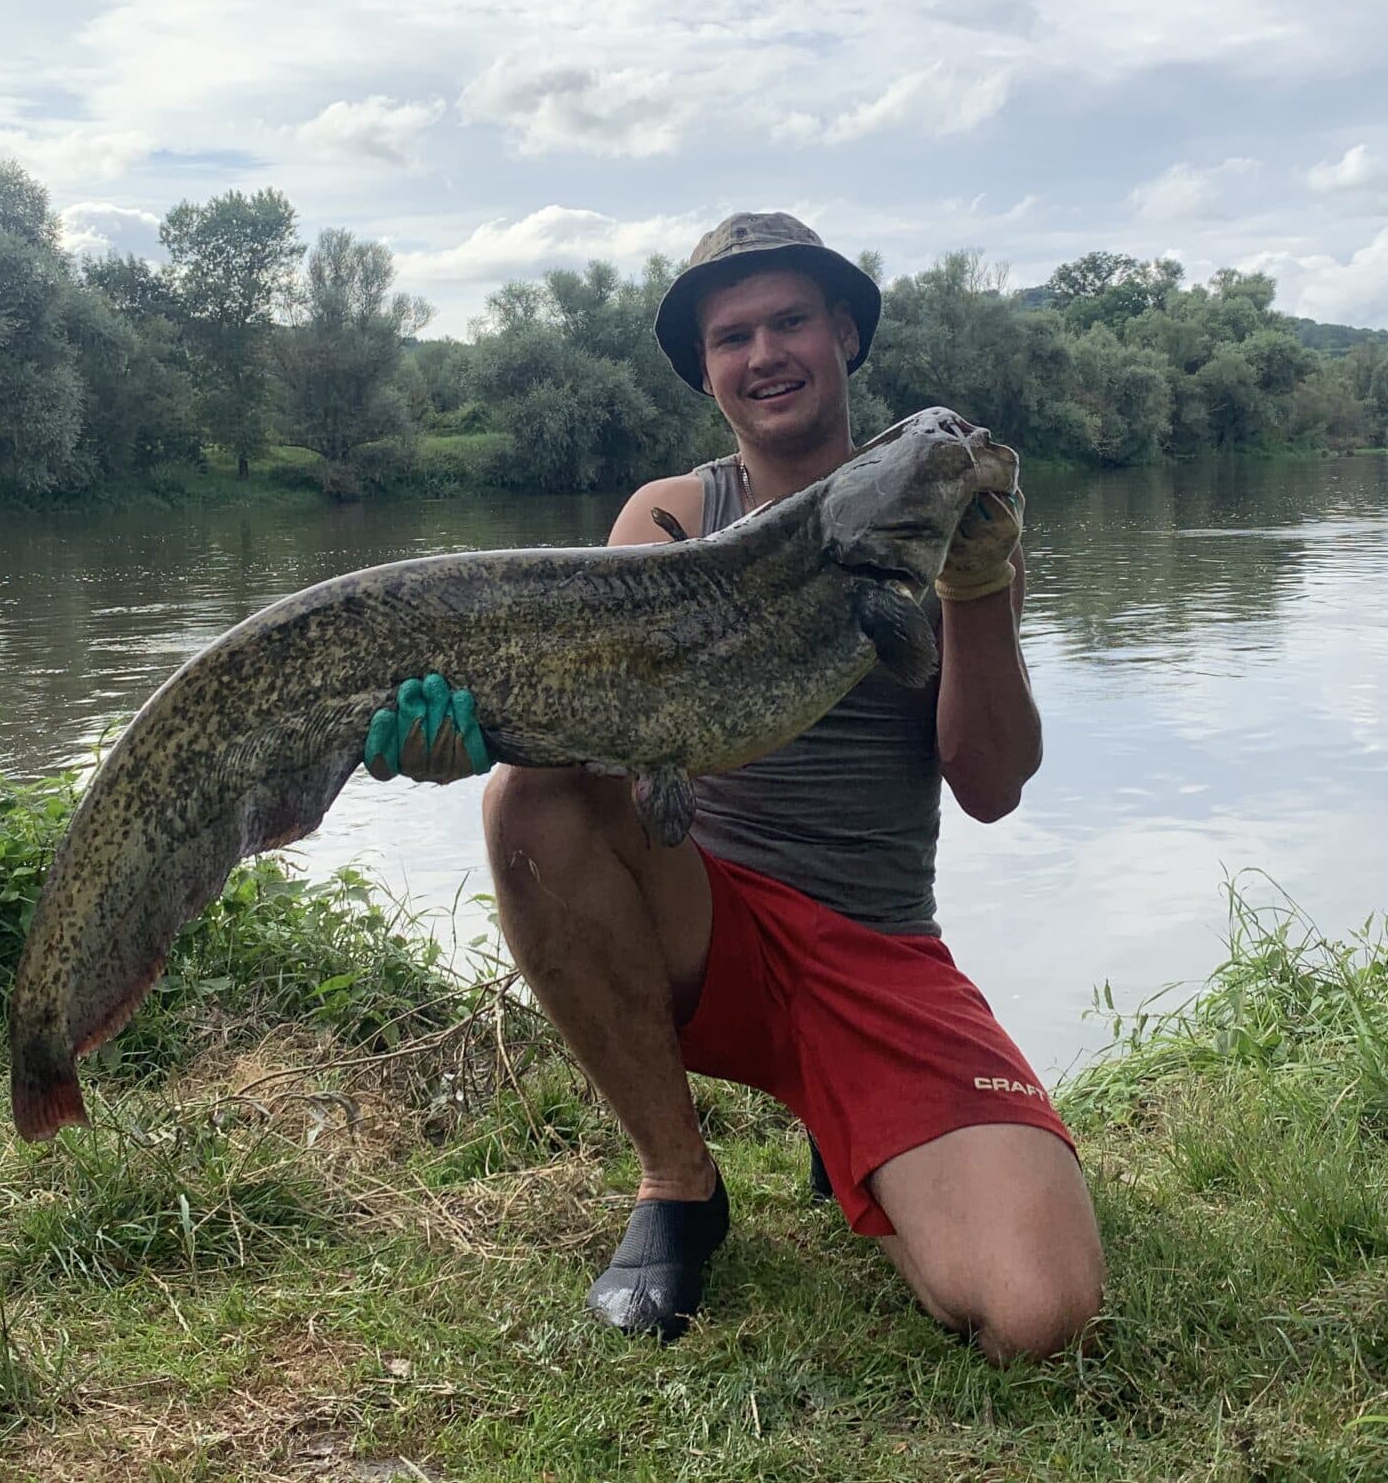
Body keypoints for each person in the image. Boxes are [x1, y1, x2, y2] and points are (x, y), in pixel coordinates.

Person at [366, 213, 1104, 1363]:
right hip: (699, 921)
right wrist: (471, 726)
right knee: (528, 798)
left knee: (1035, 1312)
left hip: (874, 947)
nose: (764, 353)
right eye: (732, 335)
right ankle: (678, 1184)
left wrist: (973, 586)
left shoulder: (952, 518)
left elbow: (994, 786)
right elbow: (586, 749)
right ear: (705, 370)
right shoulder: (667, 519)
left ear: (844, 333)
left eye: (791, 320)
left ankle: (850, 1127)